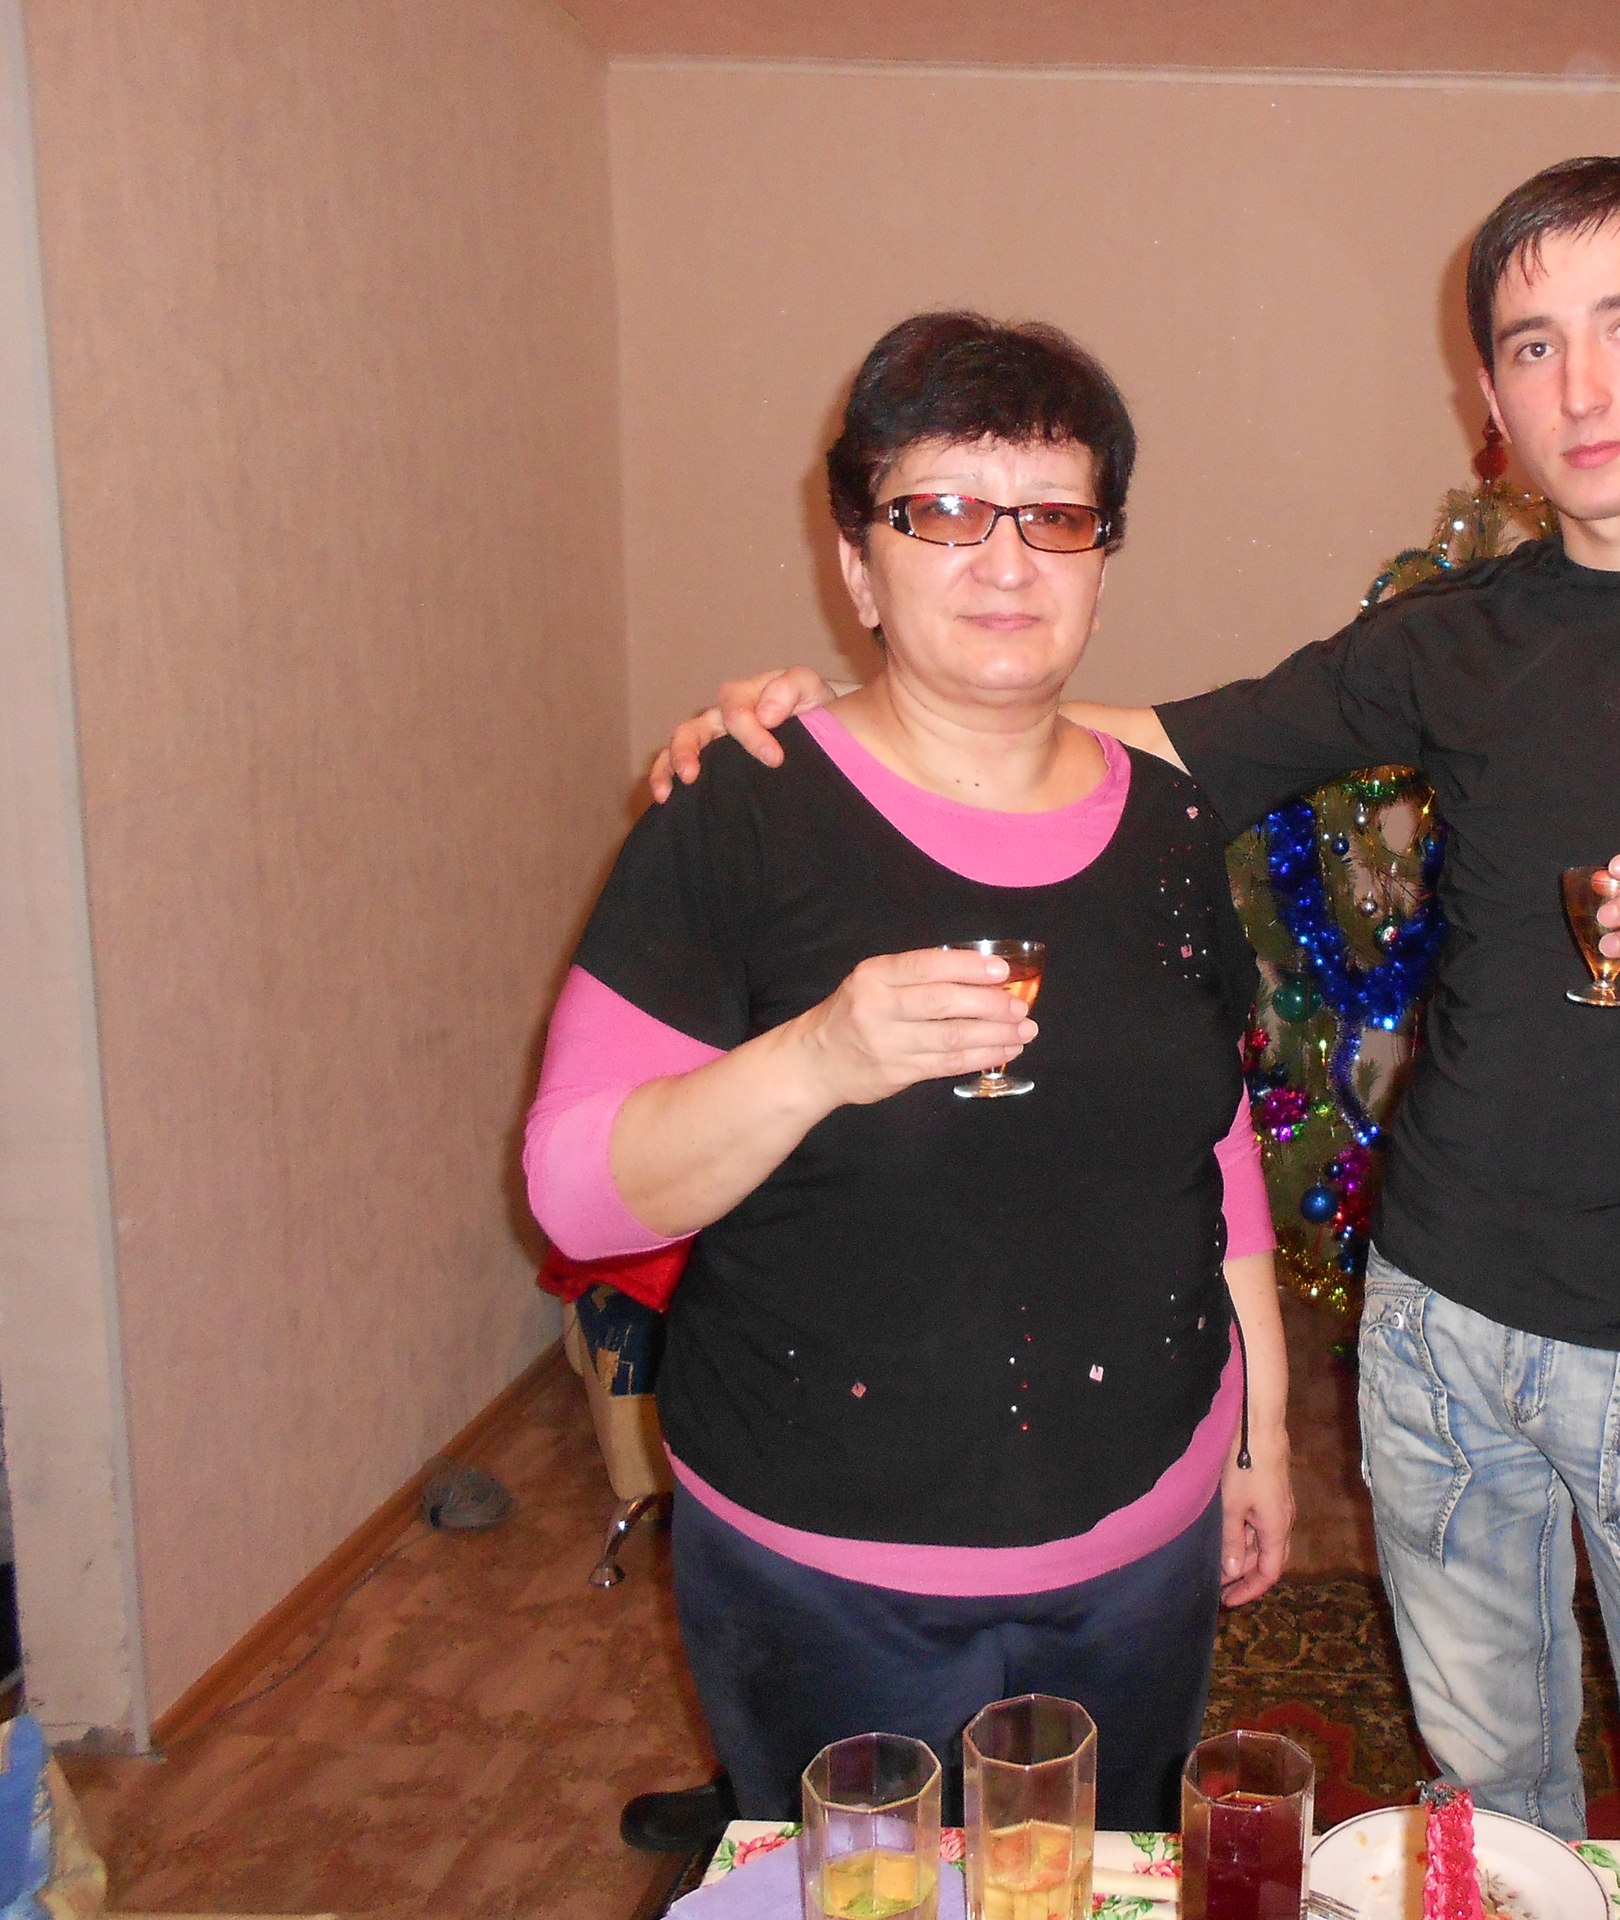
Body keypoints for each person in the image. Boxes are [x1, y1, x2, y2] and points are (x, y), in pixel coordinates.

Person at [651, 158, 1620, 1839]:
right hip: (1435, 1322)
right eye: (1531, 346)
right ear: (1489, 393)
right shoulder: (1452, 638)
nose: (1581, 390)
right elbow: (1159, 744)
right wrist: (843, 727)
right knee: (1488, 1806)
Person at [526, 312, 1293, 1830]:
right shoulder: (740, 814)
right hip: (826, 1573)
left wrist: (1259, 1436)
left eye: (1055, 516)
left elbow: (1215, 1150)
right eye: (942, 511)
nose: (1005, 560)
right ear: (858, 567)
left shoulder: (1166, 829)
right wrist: (820, 1055)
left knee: (1094, 1886)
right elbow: (576, 1193)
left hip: (1142, 1554)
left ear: (1101, 560)